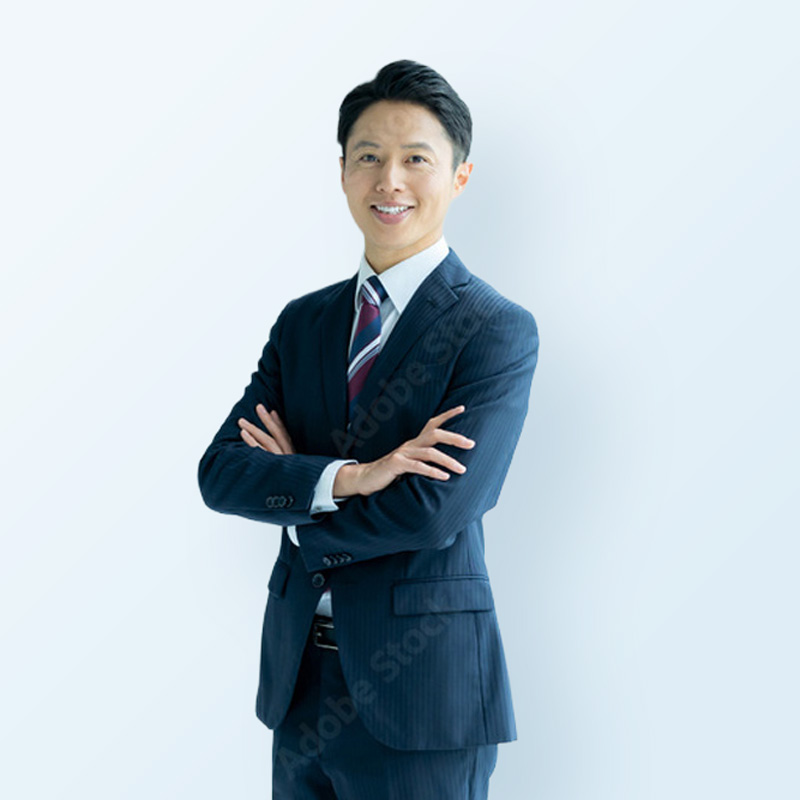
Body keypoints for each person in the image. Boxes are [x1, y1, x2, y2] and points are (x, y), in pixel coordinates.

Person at [198, 59, 540, 800]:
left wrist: (298, 506)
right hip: (298, 683)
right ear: (343, 172)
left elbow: (434, 509)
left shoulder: (493, 330)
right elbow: (221, 473)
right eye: (369, 157)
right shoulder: (304, 323)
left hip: (422, 697)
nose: (390, 181)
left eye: (416, 159)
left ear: (460, 176)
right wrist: (351, 477)